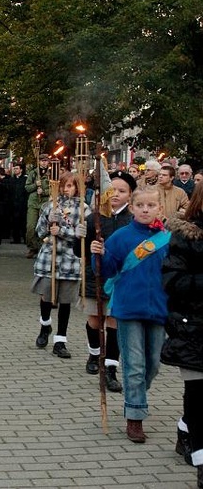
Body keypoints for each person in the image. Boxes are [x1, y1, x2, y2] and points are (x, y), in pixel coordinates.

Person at [91, 186, 170, 443]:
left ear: (160, 208)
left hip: (158, 308)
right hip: (127, 307)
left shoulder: (168, 240)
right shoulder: (120, 237)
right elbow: (107, 269)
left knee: (153, 363)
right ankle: (134, 416)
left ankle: (137, 396)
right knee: (134, 364)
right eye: (140, 206)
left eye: (151, 206)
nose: (145, 210)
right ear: (133, 208)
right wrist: (98, 255)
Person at [76, 171, 136, 393]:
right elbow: (78, 252)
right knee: (95, 319)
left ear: (130, 195)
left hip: (121, 279)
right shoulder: (95, 218)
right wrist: (80, 237)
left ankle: (110, 368)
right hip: (96, 277)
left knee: (113, 321)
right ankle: (93, 353)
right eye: (113, 190)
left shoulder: (133, 220)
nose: (116, 195)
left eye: (122, 191)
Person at [161, 181, 203, 487]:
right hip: (193, 328)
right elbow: (173, 283)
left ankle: (185, 428)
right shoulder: (186, 236)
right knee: (199, 396)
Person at [33, 172, 89, 358]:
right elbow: (39, 231)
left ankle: (61, 339)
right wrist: (49, 224)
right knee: (47, 295)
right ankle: (45, 325)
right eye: (64, 185)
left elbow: (82, 236)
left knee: (65, 300)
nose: (67, 189)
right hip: (50, 257)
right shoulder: (50, 206)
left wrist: (63, 231)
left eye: (71, 185)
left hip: (70, 259)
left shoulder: (84, 208)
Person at [25, 154, 51, 258]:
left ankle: (42, 248)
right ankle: (32, 247)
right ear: (39, 162)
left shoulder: (51, 173)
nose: (44, 162)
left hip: (45, 203)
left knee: (43, 228)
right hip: (33, 203)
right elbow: (27, 187)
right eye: (42, 161)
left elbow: (55, 188)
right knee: (31, 227)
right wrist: (36, 185)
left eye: (46, 161)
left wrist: (44, 191)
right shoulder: (33, 173)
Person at [10, 163, 28, 244]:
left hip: (23, 204)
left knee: (24, 222)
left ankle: (25, 238)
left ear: (21, 170)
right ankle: (16, 239)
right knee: (15, 222)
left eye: (17, 168)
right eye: (14, 168)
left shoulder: (25, 179)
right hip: (14, 204)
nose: (15, 170)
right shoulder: (12, 179)